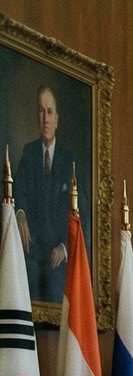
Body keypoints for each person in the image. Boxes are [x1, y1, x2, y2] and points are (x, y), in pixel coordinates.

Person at [13, 85, 77, 305]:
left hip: (58, 258)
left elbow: (82, 213)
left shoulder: (69, 160)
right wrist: (20, 213)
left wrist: (65, 247)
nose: (45, 119)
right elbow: (18, 190)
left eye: (49, 112)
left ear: (57, 119)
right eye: (41, 111)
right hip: (33, 254)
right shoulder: (29, 153)